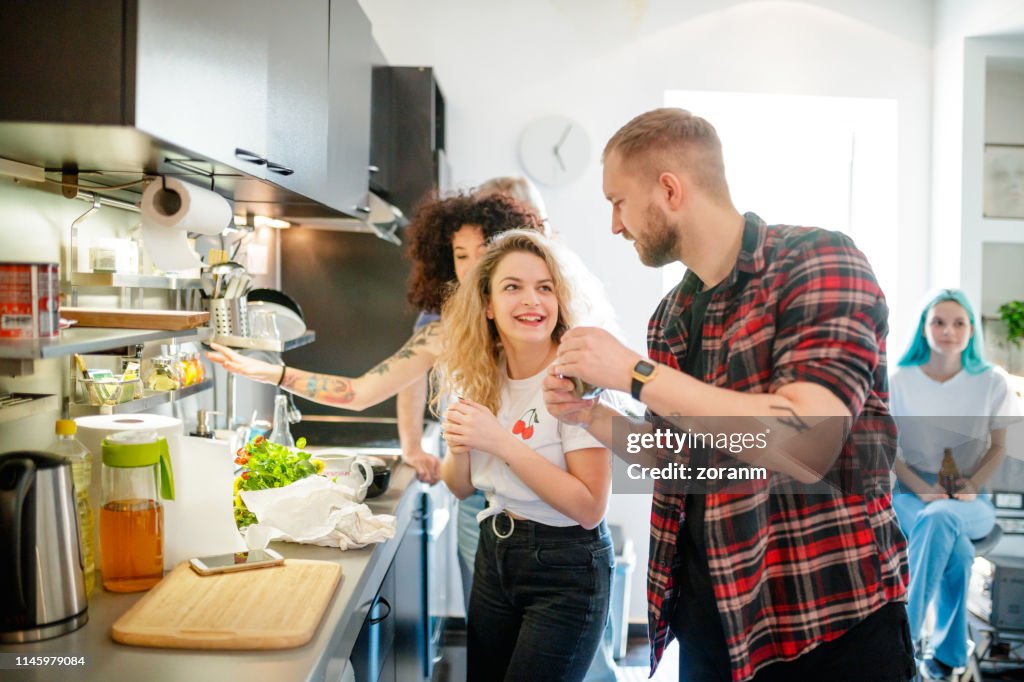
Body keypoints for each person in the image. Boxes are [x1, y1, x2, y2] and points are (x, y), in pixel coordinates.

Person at [542, 107, 915, 682]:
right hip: (711, 617)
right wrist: (590, 415)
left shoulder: (818, 260)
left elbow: (807, 441)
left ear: (668, 189)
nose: (615, 225)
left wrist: (635, 375)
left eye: (617, 201)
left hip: (828, 619)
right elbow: (676, 460)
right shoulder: (672, 315)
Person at [436, 229, 614, 682]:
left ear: (560, 301)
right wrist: (460, 449)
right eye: (513, 287)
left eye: (545, 287)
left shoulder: (575, 380)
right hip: (495, 553)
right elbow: (461, 486)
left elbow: (590, 507)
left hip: (566, 567)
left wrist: (499, 441)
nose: (531, 301)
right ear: (489, 305)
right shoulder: (480, 373)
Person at [890, 289, 1020, 681]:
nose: (949, 331)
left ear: (971, 330)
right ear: (924, 329)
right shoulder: (899, 380)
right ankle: (945, 659)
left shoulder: (992, 381)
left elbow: (1002, 445)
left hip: (969, 496)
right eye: (939, 322)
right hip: (911, 494)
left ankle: (903, 644)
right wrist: (922, 488)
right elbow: (886, 449)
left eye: (958, 323)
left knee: (944, 516)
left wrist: (972, 484)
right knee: (956, 548)